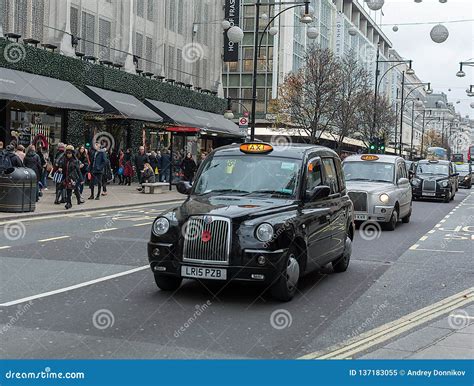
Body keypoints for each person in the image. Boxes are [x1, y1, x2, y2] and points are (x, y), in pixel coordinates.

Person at [59, 145, 83, 209]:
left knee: (72, 189)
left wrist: (81, 179)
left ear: (72, 153)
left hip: (72, 178)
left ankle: (74, 200)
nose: (68, 155)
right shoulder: (64, 160)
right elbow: (61, 165)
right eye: (67, 153)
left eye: (69, 153)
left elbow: (78, 170)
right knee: (69, 190)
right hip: (66, 177)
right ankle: (69, 203)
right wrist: (60, 168)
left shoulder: (75, 161)